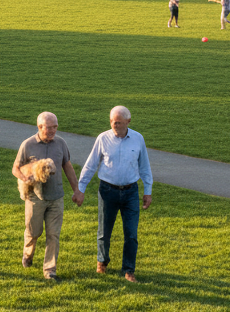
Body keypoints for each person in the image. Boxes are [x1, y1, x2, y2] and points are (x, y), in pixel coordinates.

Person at [74, 106, 153, 282]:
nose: (114, 125)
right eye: (112, 122)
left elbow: (145, 166)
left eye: (118, 122)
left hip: (131, 192)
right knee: (104, 231)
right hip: (107, 191)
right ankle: (102, 263)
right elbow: (90, 165)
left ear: (128, 122)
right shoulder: (103, 138)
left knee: (131, 234)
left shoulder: (138, 139)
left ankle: (129, 270)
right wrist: (81, 188)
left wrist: (148, 191)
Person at [12, 112, 80, 281]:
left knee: (53, 235)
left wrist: (77, 190)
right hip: (35, 198)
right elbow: (16, 168)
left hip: (56, 197)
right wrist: (24, 178)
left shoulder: (61, 143)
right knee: (33, 232)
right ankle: (28, 254)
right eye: (49, 128)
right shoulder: (27, 145)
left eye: (55, 127)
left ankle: (50, 270)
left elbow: (68, 167)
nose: (53, 131)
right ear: (40, 127)